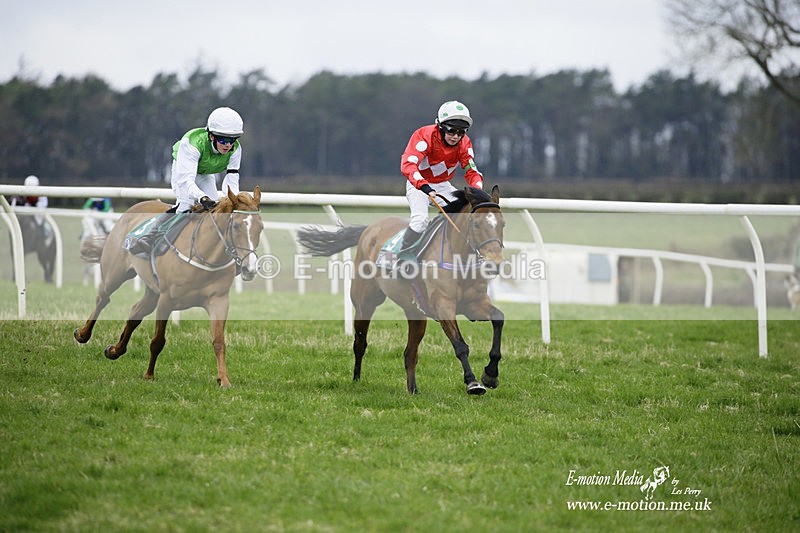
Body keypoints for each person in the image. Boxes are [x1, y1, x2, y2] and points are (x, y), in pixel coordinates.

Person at [129, 106, 244, 254]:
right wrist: (201, 197)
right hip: (183, 173)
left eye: (232, 140)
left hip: (205, 173)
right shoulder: (192, 143)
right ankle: (150, 236)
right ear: (211, 136)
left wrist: (232, 201)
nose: (228, 145)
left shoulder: (236, 149)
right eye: (223, 139)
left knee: (216, 210)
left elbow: (232, 179)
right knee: (186, 204)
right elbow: (187, 181)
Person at [399, 100, 484, 252]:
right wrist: (424, 186)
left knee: (465, 215)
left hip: (442, 185)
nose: (456, 136)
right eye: (451, 130)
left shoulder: (465, 144)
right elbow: (408, 165)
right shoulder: (424, 135)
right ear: (440, 126)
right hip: (418, 185)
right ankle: (397, 255)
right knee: (420, 222)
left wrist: (477, 193)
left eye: (461, 131)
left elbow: (472, 172)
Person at [12, 175, 51, 242]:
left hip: (38, 224)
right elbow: (12, 212)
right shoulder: (21, 198)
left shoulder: (42, 197)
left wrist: (31, 205)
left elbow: (39, 219)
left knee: (48, 230)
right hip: (24, 223)